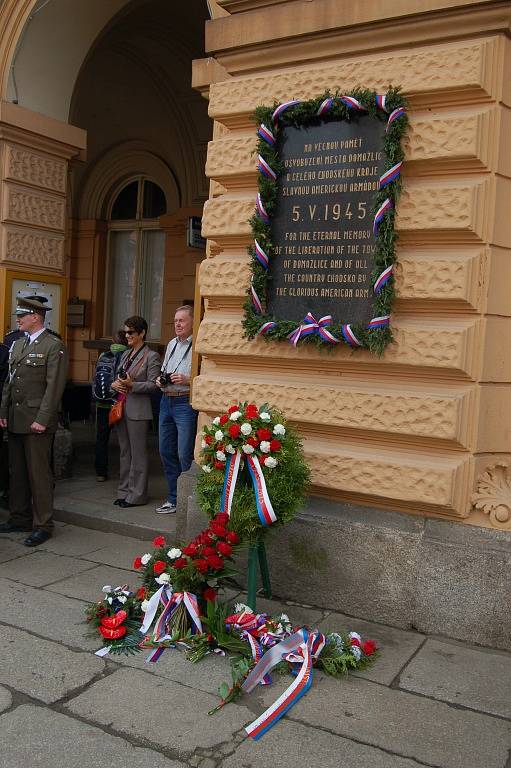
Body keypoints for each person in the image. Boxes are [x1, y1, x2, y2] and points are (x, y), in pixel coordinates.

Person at [0, 296, 68, 546]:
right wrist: (3, 412)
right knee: (16, 472)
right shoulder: (17, 344)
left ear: (36, 317)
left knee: (38, 474)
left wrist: (43, 418)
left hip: (37, 420)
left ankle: (43, 524)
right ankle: (19, 517)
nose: (18, 319)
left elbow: (54, 388)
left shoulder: (53, 345)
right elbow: (10, 381)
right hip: (17, 418)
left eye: (22, 315)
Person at [111, 316, 160, 508]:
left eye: (131, 332)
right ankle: (124, 492)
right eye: (125, 332)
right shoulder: (125, 354)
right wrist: (115, 383)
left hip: (139, 410)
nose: (127, 335)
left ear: (142, 333)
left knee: (138, 454)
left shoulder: (151, 356)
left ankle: (137, 495)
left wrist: (133, 385)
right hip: (122, 407)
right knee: (124, 452)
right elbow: (117, 377)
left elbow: (153, 385)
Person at [155, 305, 197, 514]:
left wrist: (188, 380)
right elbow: (164, 370)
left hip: (184, 403)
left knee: (183, 453)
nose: (178, 324)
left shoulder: (198, 345)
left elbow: (207, 378)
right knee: (165, 450)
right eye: (175, 321)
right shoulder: (171, 344)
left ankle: (188, 499)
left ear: (192, 321)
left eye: (182, 320)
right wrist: (160, 380)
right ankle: (173, 498)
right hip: (166, 400)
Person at [92, 331, 128, 481]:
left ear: (112, 340)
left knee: (102, 438)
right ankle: (124, 472)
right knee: (124, 440)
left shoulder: (103, 355)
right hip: (120, 404)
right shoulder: (129, 355)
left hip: (102, 402)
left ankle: (101, 472)